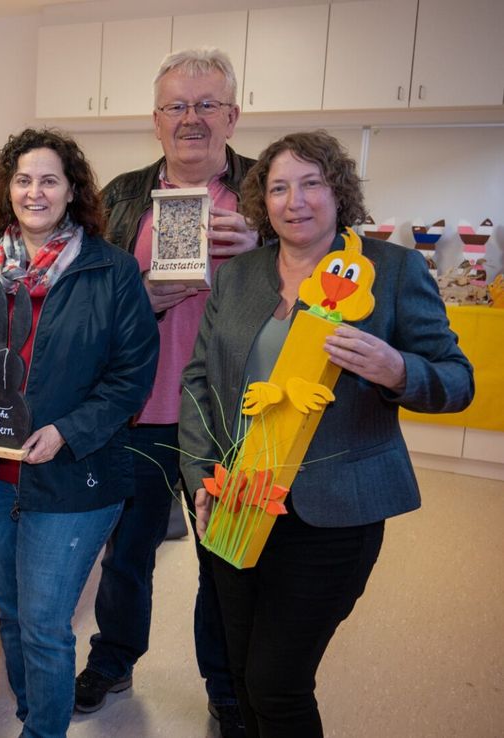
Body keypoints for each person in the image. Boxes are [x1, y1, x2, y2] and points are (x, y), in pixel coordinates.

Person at [180, 130, 473, 738]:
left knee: (277, 685)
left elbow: (455, 380)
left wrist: (396, 370)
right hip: (241, 497)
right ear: (263, 202)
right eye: (279, 188)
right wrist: (200, 476)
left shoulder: (390, 271)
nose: (296, 201)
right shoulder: (239, 276)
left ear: (338, 191)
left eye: (311, 183)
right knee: (238, 673)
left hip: (334, 511)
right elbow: (200, 379)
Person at [0, 128, 158, 738]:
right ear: (8, 189)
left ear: (72, 189)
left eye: (49, 179)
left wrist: (65, 431)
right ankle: (36, 714)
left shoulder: (110, 272)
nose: (35, 192)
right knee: (9, 611)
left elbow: (131, 376)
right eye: (24, 179)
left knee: (45, 624)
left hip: (72, 478)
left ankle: (42, 731)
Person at [75, 47, 255, 735]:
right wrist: (143, 299)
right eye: (177, 105)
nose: (191, 119)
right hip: (141, 413)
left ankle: (228, 688)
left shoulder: (268, 195)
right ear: (155, 120)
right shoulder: (119, 197)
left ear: (232, 116)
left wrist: (263, 254)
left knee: (225, 561)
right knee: (127, 555)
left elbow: (315, 298)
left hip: (229, 420)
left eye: (206, 104)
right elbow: (84, 310)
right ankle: (114, 659)